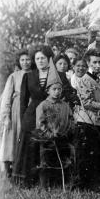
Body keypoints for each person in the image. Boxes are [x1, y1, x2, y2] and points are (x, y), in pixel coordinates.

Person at [14, 46, 74, 186]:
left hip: (53, 114)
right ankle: (29, 181)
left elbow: (69, 94)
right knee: (30, 147)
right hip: (32, 115)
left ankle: (51, 181)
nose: (40, 61)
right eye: (37, 58)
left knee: (51, 146)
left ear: (49, 59)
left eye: (43, 58)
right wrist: (23, 119)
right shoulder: (29, 76)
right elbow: (23, 101)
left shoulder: (59, 75)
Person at [72, 49, 100, 190]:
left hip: (98, 122)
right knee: (84, 157)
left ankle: (94, 186)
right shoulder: (84, 80)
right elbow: (87, 102)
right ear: (88, 62)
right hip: (85, 122)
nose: (98, 65)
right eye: (94, 62)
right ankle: (80, 187)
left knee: (97, 156)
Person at [34, 59, 75, 189]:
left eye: (59, 89)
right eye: (54, 89)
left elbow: (71, 119)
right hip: (47, 139)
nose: (57, 91)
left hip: (62, 137)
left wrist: (66, 131)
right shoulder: (43, 105)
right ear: (48, 90)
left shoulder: (65, 105)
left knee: (65, 161)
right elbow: (40, 123)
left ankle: (64, 185)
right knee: (46, 162)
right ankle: (45, 186)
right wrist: (50, 133)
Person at [0, 51, 32, 176]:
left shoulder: (35, 74)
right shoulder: (14, 76)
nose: (25, 62)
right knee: (11, 136)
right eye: (22, 60)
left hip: (29, 107)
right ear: (19, 61)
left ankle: (22, 167)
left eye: (28, 59)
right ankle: (8, 168)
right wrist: (6, 116)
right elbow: (7, 96)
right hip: (16, 109)